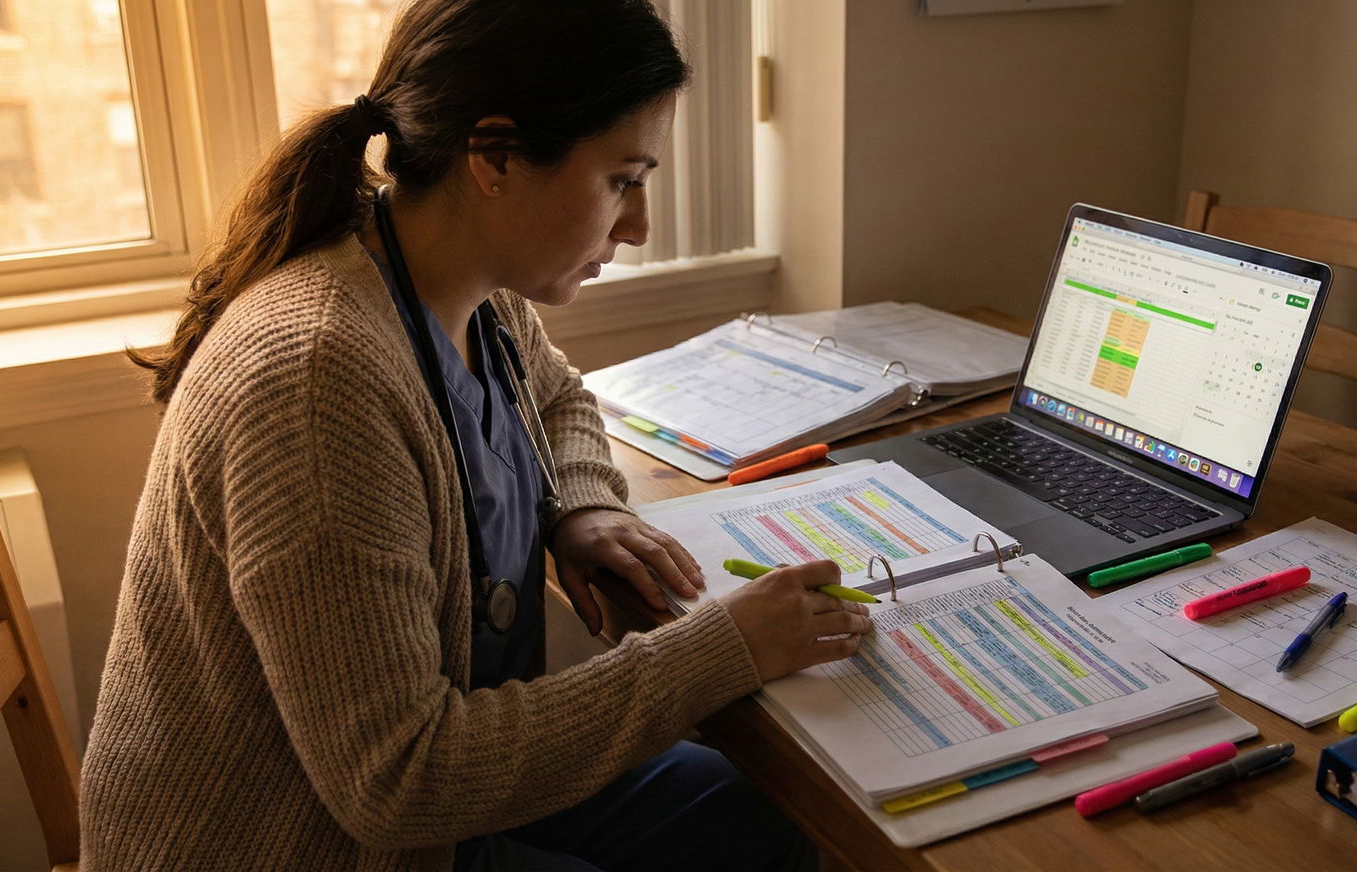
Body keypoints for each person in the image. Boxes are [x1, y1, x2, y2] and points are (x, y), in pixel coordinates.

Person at [80, 1, 873, 869]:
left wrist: (580, 506)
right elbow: (402, 779)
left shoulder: (465, 290)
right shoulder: (319, 380)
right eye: (622, 179)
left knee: (744, 814)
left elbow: (560, 398)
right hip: (301, 842)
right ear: (494, 157)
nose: (638, 224)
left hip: (428, 801)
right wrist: (719, 650)